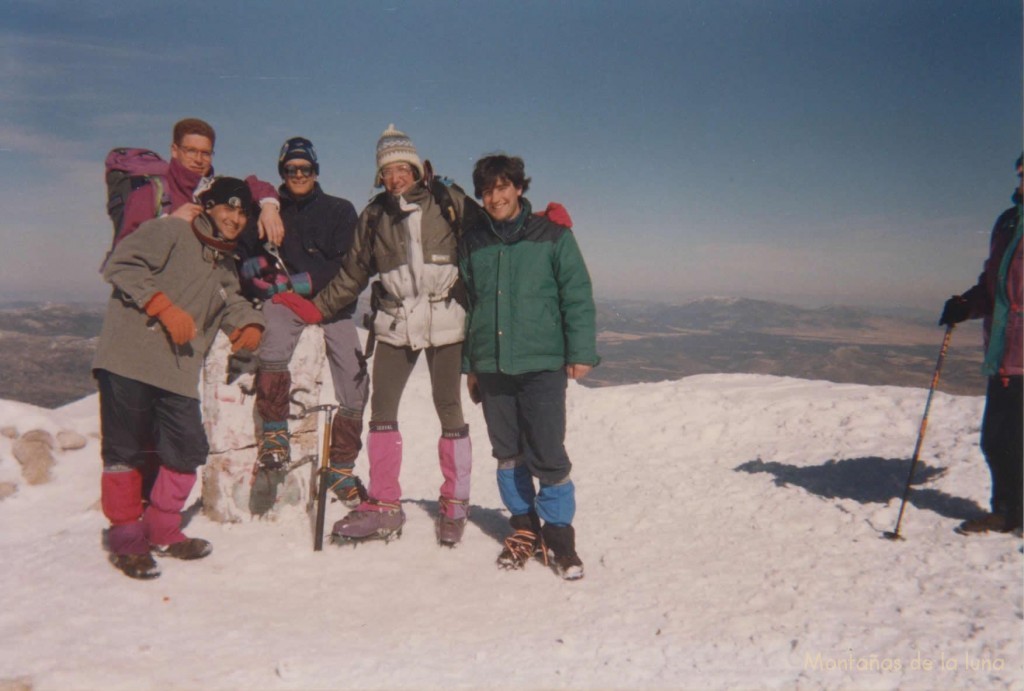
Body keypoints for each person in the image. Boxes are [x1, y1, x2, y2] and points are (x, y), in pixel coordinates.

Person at [274, 124, 475, 546]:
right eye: (388, 171)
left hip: (446, 322)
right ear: (380, 176)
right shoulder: (374, 216)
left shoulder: (447, 200)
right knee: (382, 412)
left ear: (416, 169)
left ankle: (455, 503)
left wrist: (538, 224)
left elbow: (490, 232)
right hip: (395, 322)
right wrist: (317, 308)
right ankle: (385, 505)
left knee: (449, 409)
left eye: (403, 168)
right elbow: (352, 275)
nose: (396, 177)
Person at [93, 177, 265, 579]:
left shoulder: (223, 261)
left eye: (242, 212)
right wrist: (163, 308)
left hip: (176, 370)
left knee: (187, 449)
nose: (235, 218)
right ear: (208, 207)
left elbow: (230, 301)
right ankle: (128, 542)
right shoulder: (171, 230)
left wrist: (249, 323)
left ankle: (162, 531)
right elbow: (121, 264)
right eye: (228, 207)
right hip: (129, 358)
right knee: (125, 452)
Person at [459, 154, 599, 580]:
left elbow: (576, 294)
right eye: (487, 190)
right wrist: (471, 365)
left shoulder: (553, 237)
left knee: (549, 454)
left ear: (519, 188)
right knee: (507, 453)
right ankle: (522, 530)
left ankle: (560, 542)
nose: (495, 197)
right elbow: (468, 306)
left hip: (542, 364)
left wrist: (581, 351)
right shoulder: (474, 242)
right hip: (493, 365)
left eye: (503, 187)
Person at [236, 137, 368, 515]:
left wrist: (300, 283)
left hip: (333, 306)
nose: (298, 175)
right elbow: (246, 257)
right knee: (274, 341)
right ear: (282, 172)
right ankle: (275, 435)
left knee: (355, 382)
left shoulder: (340, 211)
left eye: (305, 169)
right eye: (291, 169)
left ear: (315, 171)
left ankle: (341, 468)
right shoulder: (267, 213)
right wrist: (260, 276)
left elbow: (349, 264)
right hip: (287, 304)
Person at [940, 154, 1023, 535]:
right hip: (1004, 354)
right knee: (996, 441)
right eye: (1022, 172)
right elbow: (993, 287)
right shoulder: (1007, 223)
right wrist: (965, 305)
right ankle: (1007, 512)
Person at [118, 117, 284, 245]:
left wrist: (269, 206)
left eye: (205, 153)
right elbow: (124, 252)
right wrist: (170, 224)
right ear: (174, 151)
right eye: (191, 151)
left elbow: (252, 185)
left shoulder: (212, 188)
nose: (198, 160)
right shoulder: (150, 194)